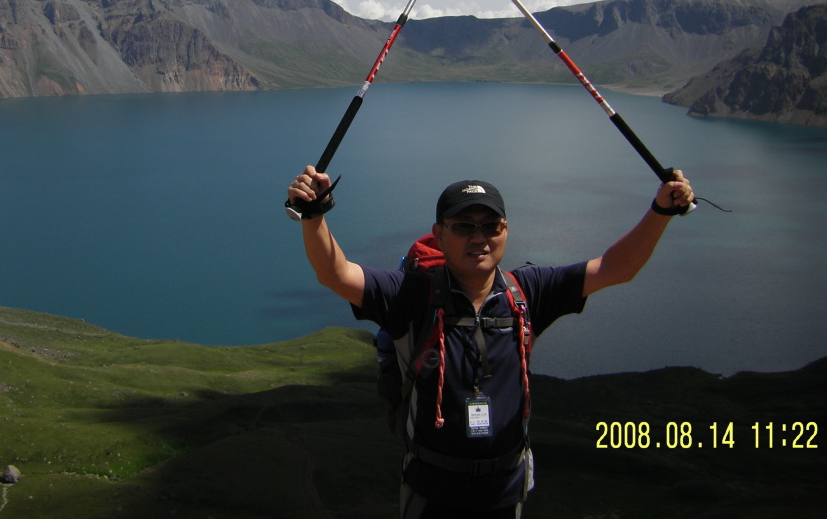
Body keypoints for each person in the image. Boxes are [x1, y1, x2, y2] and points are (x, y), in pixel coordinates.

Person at [287, 165, 695, 518]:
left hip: (506, 491)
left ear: (506, 230)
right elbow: (336, 273)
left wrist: (661, 211)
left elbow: (615, 268)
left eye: (491, 226)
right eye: (464, 226)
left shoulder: (528, 292)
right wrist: (313, 215)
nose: (479, 237)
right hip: (432, 494)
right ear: (439, 234)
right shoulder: (412, 294)